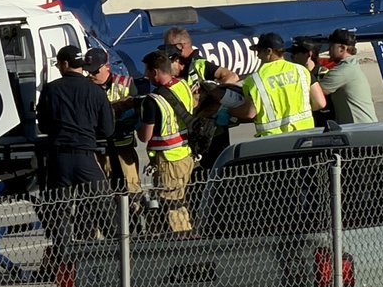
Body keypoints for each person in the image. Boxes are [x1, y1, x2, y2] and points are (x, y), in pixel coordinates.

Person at [36, 45, 115, 271]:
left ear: (64, 64)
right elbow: (107, 129)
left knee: (59, 212)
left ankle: (64, 263)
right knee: (104, 209)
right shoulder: (96, 91)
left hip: (59, 159)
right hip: (85, 158)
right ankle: (118, 256)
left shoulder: (51, 90)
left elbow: (44, 125)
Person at [137, 49, 197, 232]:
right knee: (175, 202)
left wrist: (137, 124)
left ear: (155, 71)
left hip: (168, 161)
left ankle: (183, 241)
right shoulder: (183, 85)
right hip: (186, 154)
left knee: (173, 207)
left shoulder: (153, 100)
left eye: (147, 72)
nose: (146, 76)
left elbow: (144, 137)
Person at [162, 28, 239, 169]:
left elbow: (232, 76)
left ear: (181, 46)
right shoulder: (177, 66)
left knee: (217, 171)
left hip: (212, 132)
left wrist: (213, 92)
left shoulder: (200, 64)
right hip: (192, 131)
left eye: (169, 46)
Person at [231, 32, 324, 136]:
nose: (258, 56)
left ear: (269, 51)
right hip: (305, 136)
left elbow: (249, 113)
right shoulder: (301, 71)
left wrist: (229, 112)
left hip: (273, 140)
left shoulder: (255, 80)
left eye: (259, 51)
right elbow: (320, 103)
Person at [84, 46, 141, 196]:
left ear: (107, 66)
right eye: (89, 71)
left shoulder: (125, 83)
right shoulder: (85, 87)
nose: (91, 75)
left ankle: (134, 208)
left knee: (132, 188)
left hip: (123, 147)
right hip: (100, 149)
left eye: (95, 71)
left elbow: (135, 113)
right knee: (105, 190)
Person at [320, 28, 379, 124]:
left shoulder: (343, 71)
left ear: (342, 48)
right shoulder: (352, 65)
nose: (329, 50)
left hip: (359, 128)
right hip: (365, 126)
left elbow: (316, 92)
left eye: (331, 46)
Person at [288, 36, 334, 128]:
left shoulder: (323, 74)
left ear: (308, 54)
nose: (292, 57)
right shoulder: (295, 76)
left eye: (296, 53)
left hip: (325, 124)